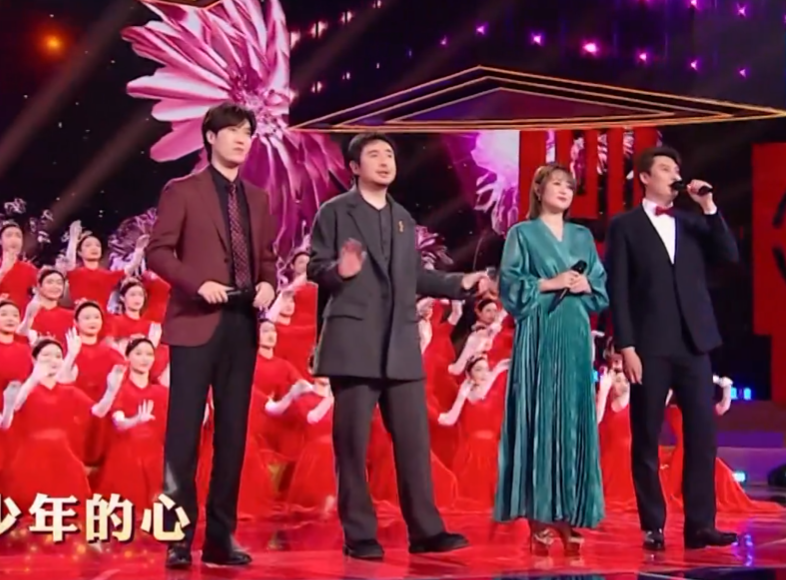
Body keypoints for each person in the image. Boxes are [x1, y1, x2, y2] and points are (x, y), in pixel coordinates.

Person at [308, 132, 488, 560]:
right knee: (353, 445)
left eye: (389, 154)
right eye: (374, 155)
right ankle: (359, 534)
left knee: (413, 443)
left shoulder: (403, 218)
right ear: (355, 167)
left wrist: (459, 283)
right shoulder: (334, 212)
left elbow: (415, 277)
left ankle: (426, 530)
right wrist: (339, 270)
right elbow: (316, 266)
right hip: (354, 342)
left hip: (401, 345)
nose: (385, 160)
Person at [146, 102, 278, 569]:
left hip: (242, 325)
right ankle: (177, 537)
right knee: (183, 435)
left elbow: (267, 257)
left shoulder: (258, 198)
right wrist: (196, 283)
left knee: (232, 435)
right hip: (195, 321)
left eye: (248, 133)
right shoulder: (182, 191)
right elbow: (158, 252)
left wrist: (269, 283)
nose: (242, 139)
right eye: (233, 131)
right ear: (210, 137)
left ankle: (221, 537)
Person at [604, 145, 739, 551]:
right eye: (665, 168)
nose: (674, 174)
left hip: (695, 342)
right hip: (649, 343)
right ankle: (653, 524)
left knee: (701, 434)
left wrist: (709, 207)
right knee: (646, 435)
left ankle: (701, 525)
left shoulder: (692, 222)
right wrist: (626, 344)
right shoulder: (625, 226)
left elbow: (729, 255)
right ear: (645, 177)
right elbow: (618, 288)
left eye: (676, 168)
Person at [494, 163, 609, 556]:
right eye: (556, 184)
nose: (563, 190)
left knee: (572, 417)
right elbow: (510, 285)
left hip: (574, 332)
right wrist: (550, 282)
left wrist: (585, 284)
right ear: (538, 190)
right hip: (539, 331)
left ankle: (571, 514)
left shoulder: (582, 236)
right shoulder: (522, 234)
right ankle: (540, 517)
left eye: (569, 186)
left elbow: (600, 287)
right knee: (539, 413)